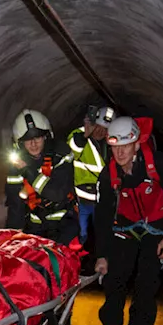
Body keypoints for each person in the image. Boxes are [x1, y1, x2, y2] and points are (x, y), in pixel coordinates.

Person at [92, 116, 163, 325]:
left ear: (136, 144)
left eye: (125, 145)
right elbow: (102, 216)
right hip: (125, 228)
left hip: (156, 227)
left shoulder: (159, 164)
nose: (120, 152)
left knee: (147, 279)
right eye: (115, 146)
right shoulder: (108, 175)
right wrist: (102, 254)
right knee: (115, 277)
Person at [4, 108, 80, 325]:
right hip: (35, 227)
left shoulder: (61, 154)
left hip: (63, 226)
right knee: (32, 281)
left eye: (37, 137)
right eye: (28, 139)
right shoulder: (15, 164)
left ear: (46, 136)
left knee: (61, 282)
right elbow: (15, 203)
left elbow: (58, 193)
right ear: (20, 142)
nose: (34, 143)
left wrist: (29, 172)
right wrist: (11, 240)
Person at [67, 103, 116, 245]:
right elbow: (71, 150)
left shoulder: (111, 143)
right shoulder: (79, 135)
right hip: (81, 200)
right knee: (80, 234)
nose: (100, 131)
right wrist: (85, 136)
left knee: (101, 232)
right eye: (98, 126)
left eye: (105, 129)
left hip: (101, 200)